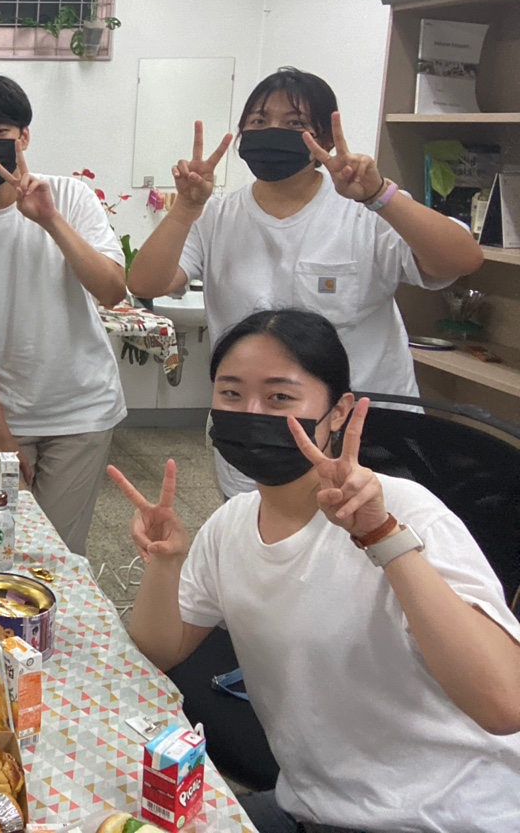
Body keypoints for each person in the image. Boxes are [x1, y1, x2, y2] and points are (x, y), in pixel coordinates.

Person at [109, 309, 520, 833]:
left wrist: (382, 536)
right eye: (231, 393)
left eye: (280, 397)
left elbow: (504, 704)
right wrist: (165, 565)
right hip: (311, 804)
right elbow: (160, 651)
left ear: (339, 411)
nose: (252, 413)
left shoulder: (407, 512)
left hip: (443, 816)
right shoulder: (231, 525)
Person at [127, 66, 483, 496]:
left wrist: (379, 196)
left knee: (368, 530)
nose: (272, 132)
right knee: (260, 530)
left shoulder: (365, 212)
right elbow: (146, 283)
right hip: (258, 427)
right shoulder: (216, 217)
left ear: (325, 141)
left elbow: (462, 260)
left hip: (365, 430)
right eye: (258, 121)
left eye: (295, 123)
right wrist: (185, 208)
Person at [0, 75, 127, 554]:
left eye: (1, 132)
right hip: (5, 412)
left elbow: (112, 290)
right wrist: (0, 434)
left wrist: (50, 220)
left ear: (24, 138)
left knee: (51, 553)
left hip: (81, 409)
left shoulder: (71, 197)